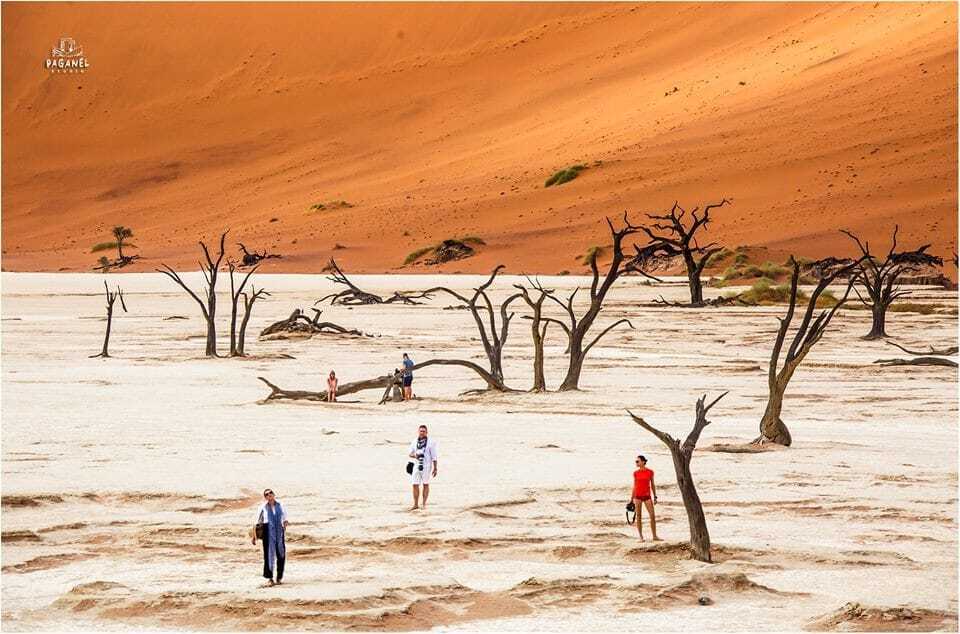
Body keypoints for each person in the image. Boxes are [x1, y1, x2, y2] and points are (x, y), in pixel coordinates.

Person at [251, 488, 288, 586]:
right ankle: (270, 578)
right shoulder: (263, 507)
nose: (269, 495)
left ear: (274, 494)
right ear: (265, 497)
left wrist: (284, 524)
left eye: (270, 493)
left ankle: (279, 578)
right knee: (268, 555)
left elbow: (285, 518)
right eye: (266, 494)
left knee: (281, 554)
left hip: (279, 531)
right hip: (268, 532)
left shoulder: (281, 505)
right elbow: (256, 522)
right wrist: (254, 536)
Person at [407, 424, 438, 510]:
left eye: (424, 431)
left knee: (425, 484)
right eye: (421, 431)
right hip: (417, 465)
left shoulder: (431, 442)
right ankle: (416, 504)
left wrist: (435, 468)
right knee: (414, 484)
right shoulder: (414, 441)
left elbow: (434, 456)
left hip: (427, 466)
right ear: (418, 432)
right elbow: (410, 453)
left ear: (427, 432)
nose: (422, 433)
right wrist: (415, 455)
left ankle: (424, 504)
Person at [631, 455, 660, 541]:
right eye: (636, 461)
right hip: (637, 496)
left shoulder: (650, 472)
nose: (636, 463)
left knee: (652, 515)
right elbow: (634, 486)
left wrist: (655, 496)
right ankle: (641, 537)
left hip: (647, 496)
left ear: (643, 462)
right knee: (639, 516)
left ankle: (654, 536)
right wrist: (631, 499)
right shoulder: (635, 473)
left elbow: (652, 485)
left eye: (637, 461)